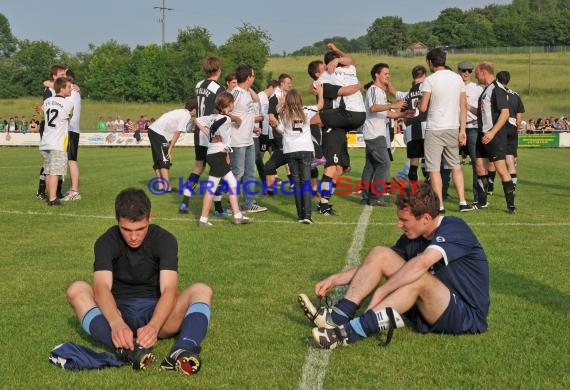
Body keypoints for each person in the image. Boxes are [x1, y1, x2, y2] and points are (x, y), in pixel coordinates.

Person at [298, 183, 489, 349]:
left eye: (404, 220)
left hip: (464, 315)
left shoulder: (455, 227)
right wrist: (336, 279)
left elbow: (422, 263)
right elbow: (375, 264)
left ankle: (348, 333)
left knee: (418, 277)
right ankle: (338, 317)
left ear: (425, 218)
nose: (399, 225)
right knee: (380, 253)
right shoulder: (413, 237)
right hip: (429, 306)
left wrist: (382, 291)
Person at [66, 188, 212, 374]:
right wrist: (116, 323)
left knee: (202, 290)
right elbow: (101, 288)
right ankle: (129, 350)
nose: (133, 237)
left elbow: (169, 289)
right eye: (126, 230)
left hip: (158, 315)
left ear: (150, 217)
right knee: (76, 290)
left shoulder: (165, 240)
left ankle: (182, 349)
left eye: (140, 229)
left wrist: (153, 325)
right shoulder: (105, 241)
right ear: (117, 219)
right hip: (119, 313)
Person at [418, 48, 473, 213]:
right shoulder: (457, 79)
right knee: (455, 166)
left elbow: (423, 107)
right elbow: (463, 106)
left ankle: (440, 205)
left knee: (434, 168)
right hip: (453, 126)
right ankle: (462, 202)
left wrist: (417, 104)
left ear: (430, 62)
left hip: (435, 128)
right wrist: (462, 129)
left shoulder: (430, 80)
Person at [195, 92, 252, 226]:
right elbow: (228, 122)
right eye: (232, 102)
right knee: (212, 188)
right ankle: (203, 219)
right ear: (228, 104)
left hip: (214, 153)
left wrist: (209, 134)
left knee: (231, 183)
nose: (234, 104)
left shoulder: (212, 117)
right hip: (217, 154)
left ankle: (237, 215)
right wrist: (212, 134)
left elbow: (197, 120)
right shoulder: (224, 118)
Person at [361, 63, 412, 206]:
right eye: (385, 73)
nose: (388, 76)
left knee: (371, 165)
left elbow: (385, 113)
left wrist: (402, 113)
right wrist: (393, 105)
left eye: (389, 74)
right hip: (374, 133)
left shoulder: (381, 92)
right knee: (384, 163)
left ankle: (366, 197)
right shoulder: (373, 89)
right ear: (376, 75)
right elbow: (374, 107)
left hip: (378, 133)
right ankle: (376, 196)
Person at [179, 57, 226, 214]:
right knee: (219, 168)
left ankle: (185, 201)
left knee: (198, 167)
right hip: (211, 131)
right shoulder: (219, 88)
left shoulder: (198, 85)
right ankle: (218, 208)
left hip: (199, 131)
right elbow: (219, 110)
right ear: (218, 69)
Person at [276, 85, 324, 223]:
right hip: (305, 149)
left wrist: (281, 102)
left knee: (296, 183)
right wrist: (320, 92)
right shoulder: (306, 111)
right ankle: (307, 216)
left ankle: (300, 215)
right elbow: (321, 105)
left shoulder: (284, 112)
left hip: (290, 150)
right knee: (306, 182)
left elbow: (278, 110)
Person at [473, 61, 516, 213]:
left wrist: (492, 132)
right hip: (482, 134)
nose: (476, 77)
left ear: (484, 72)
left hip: (494, 136)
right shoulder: (486, 90)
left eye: (477, 74)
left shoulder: (497, 89)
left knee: (501, 169)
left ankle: (511, 206)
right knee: (479, 166)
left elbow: (505, 113)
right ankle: (482, 202)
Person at [229, 64, 267, 213]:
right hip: (237, 141)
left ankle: (249, 203)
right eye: (253, 75)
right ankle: (233, 206)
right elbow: (222, 111)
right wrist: (235, 119)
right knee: (237, 174)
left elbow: (246, 115)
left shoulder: (246, 93)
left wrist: (252, 127)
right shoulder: (236, 94)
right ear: (249, 77)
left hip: (249, 139)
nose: (254, 78)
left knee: (250, 173)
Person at [40, 76, 74, 206]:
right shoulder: (69, 104)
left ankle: (50, 196)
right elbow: (69, 118)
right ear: (62, 88)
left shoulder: (47, 101)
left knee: (48, 171)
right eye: (69, 87)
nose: (71, 89)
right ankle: (53, 199)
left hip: (45, 141)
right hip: (57, 142)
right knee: (55, 172)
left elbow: (41, 115)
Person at [147, 102, 194, 192]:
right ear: (194, 109)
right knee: (165, 159)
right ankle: (167, 187)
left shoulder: (181, 112)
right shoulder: (187, 114)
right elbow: (178, 132)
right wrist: (169, 150)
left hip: (153, 130)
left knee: (158, 159)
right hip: (159, 132)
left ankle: (161, 186)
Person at [458, 61, 483, 205]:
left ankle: (478, 197)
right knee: (449, 163)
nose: (466, 73)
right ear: (459, 71)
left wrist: (469, 107)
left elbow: (481, 111)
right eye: (463, 70)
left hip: (472, 127)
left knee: (476, 163)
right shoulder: (454, 87)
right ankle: (442, 195)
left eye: (469, 70)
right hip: (456, 127)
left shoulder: (477, 89)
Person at [496, 70, 525, 188]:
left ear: (497, 80)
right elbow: (519, 115)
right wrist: (518, 125)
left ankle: (489, 186)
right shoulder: (516, 95)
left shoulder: (496, 92)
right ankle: (512, 185)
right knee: (510, 158)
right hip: (512, 127)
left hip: (500, 126)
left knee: (493, 158)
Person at [62, 69, 82, 201]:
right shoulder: (75, 92)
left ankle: (74, 191)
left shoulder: (72, 92)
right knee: (69, 160)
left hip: (70, 130)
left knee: (71, 161)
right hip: (71, 130)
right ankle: (72, 189)